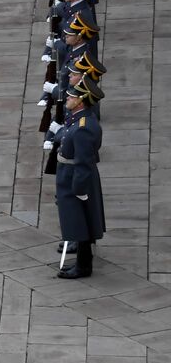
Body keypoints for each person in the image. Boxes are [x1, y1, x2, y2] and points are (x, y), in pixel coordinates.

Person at [54, 79, 105, 279]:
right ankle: (82, 263)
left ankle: (84, 267)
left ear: (81, 101)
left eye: (73, 96)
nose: (68, 97)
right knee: (79, 223)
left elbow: (83, 162)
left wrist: (80, 190)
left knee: (82, 225)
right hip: (70, 175)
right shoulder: (78, 118)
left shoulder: (83, 127)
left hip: (77, 179)